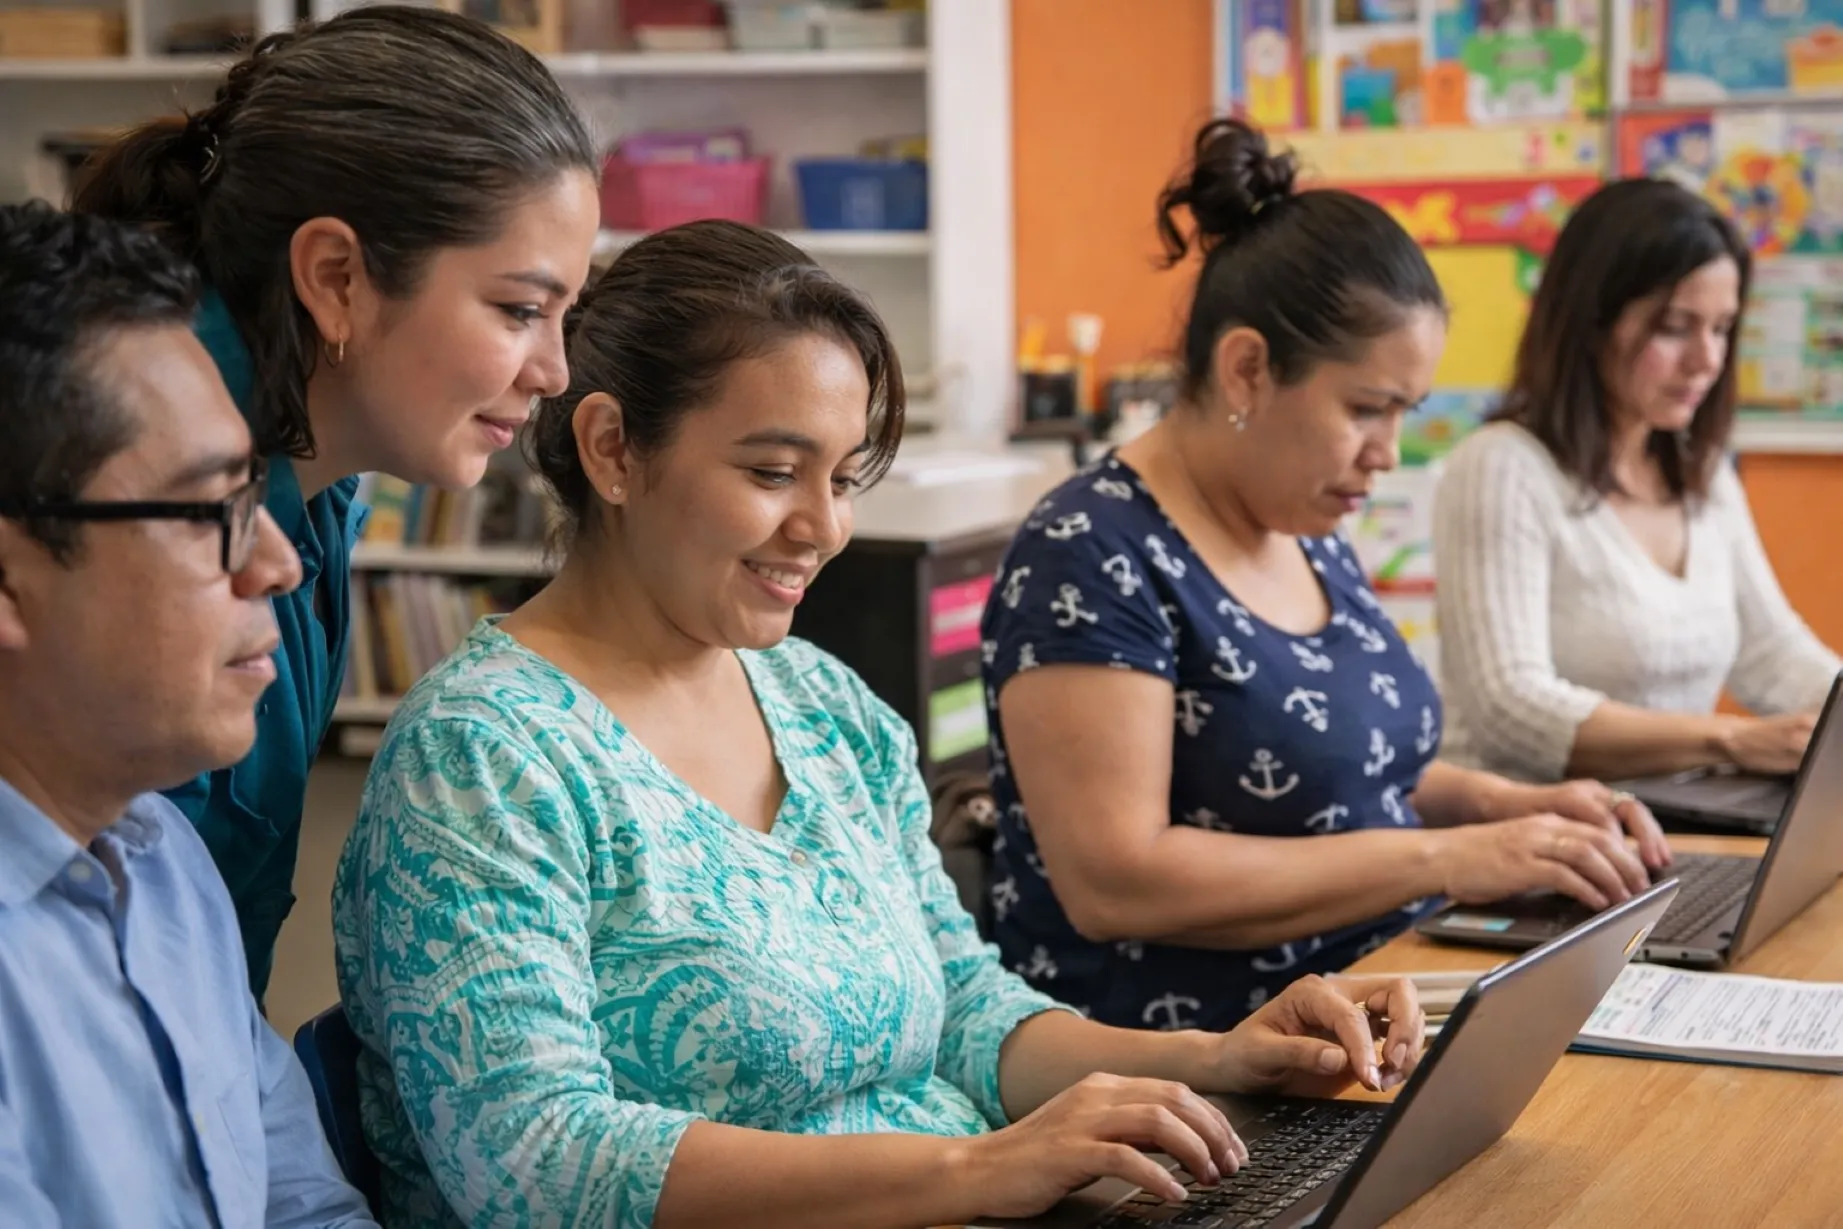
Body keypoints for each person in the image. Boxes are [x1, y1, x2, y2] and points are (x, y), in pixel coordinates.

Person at [331, 221, 1427, 1229]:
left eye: (844, 477)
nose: (823, 528)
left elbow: (962, 1008)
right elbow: (536, 1162)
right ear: (613, 449)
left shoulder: (824, 705)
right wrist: (974, 1168)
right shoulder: (481, 755)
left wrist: (1216, 1058)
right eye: (772, 472)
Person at [978, 118, 1670, 1036]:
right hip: (1196, 1069)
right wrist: (1449, 858)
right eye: (1365, 409)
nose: (1386, 454)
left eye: (1403, 412)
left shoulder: (1301, 524)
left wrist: (1516, 809)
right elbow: (1117, 881)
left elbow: (1351, 770)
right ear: (1247, 370)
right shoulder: (1088, 550)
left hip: (1378, 991)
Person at [73, 4, 604, 1000]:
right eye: (520, 309)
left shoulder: (319, 488)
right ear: (336, 278)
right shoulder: (121, 505)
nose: (555, 371)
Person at [0, 202, 376, 1228]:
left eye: (259, 499)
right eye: (213, 511)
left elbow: (304, 1204)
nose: (279, 563)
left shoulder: (163, 855)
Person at [1433, 177, 1841, 784]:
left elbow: (1773, 653)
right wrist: (1731, 740)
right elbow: (1511, 707)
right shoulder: (1501, 468)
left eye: (1722, 328)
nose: (1706, 360)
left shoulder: (1701, 475)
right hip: (1530, 841)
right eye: (1675, 327)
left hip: (1671, 828)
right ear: (1592, 323)